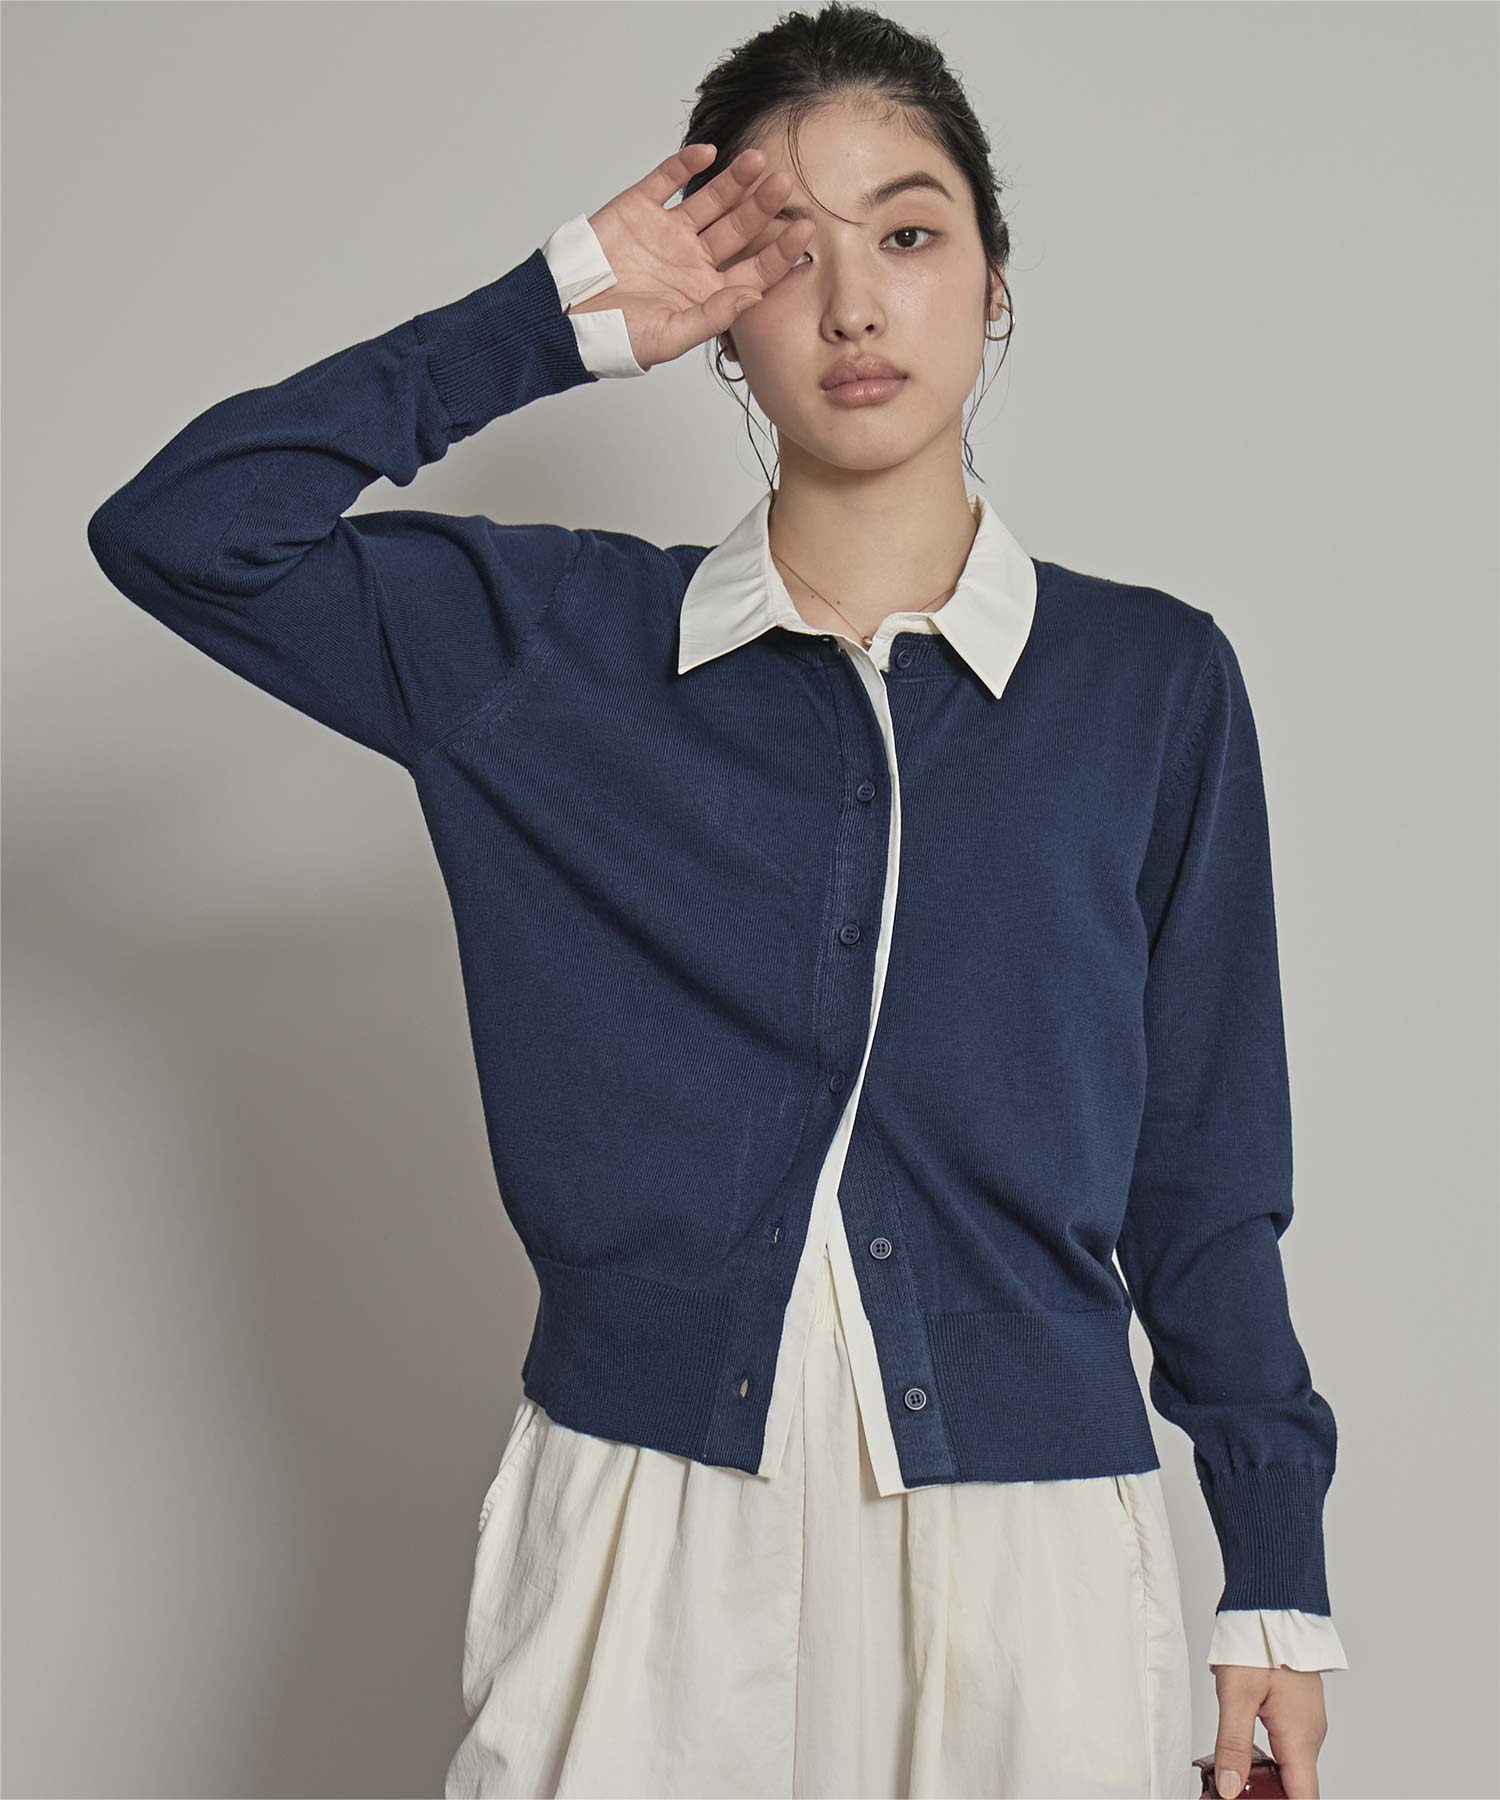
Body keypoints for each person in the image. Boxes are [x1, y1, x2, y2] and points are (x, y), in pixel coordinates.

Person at [85, 5, 1349, 1796]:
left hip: (1029, 1551)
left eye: (908, 235)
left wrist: (1275, 1583)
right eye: (784, 254)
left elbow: (1206, 1169)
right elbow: (184, 530)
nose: (854, 307)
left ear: (994, 283)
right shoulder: (556, 652)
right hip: (646, 1527)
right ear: (717, 318)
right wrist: (545, 320)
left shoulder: (1148, 685)